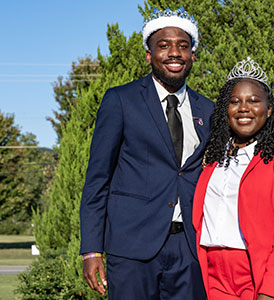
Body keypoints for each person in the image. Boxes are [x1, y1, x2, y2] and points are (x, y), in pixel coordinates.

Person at [79, 6, 214, 300]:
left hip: (190, 249)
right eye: (163, 46)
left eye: (183, 46)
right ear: (149, 55)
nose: (174, 53)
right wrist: (91, 248)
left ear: (193, 54)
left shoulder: (208, 110)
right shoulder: (120, 100)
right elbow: (97, 179)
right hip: (131, 248)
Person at [192, 57, 274, 300]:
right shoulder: (212, 157)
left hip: (258, 274)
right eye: (234, 102)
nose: (244, 108)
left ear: (268, 110)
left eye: (254, 101)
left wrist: (272, 289)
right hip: (212, 275)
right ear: (226, 110)